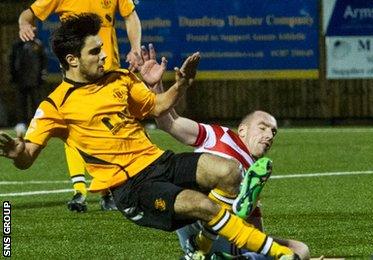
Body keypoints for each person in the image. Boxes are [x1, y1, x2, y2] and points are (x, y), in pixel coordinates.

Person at [0, 14, 297, 259]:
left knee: (229, 171)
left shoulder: (119, 78)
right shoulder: (55, 106)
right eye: (94, 51)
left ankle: (201, 250)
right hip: (132, 189)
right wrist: (17, 151)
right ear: (72, 60)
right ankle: (281, 254)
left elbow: (157, 106)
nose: (104, 55)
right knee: (204, 206)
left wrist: (177, 86)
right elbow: (27, 158)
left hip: (159, 162)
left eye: (102, 47)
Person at [18, 0, 143, 212]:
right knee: (73, 125)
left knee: (111, 131)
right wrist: (24, 25)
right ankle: (79, 190)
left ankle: (109, 191)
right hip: (78, 75)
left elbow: (131, 16)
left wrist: (135, 48)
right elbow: (27, 14)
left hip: (108, 74)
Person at [152, 107, 310, 259]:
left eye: (273, 132)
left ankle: (226, 256)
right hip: (190, 205)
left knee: (300, 249)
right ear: (242, 130)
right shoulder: (219, 134)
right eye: (263, 128)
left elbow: (256, 234)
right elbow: (170, 122)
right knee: (228, 174)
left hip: (213, 235)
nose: (269, 135)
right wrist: (156, 87)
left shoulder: (254, 173)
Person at [9, 38, 47, 127]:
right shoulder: (17, 45)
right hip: (20, 79)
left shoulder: (37, 44)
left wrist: (42, 75)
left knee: (36, 102)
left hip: (35, 79)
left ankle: (37, 121)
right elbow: (12, 61)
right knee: (21, 102)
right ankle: (22, 122)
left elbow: (43, 61)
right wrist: (12, 76)